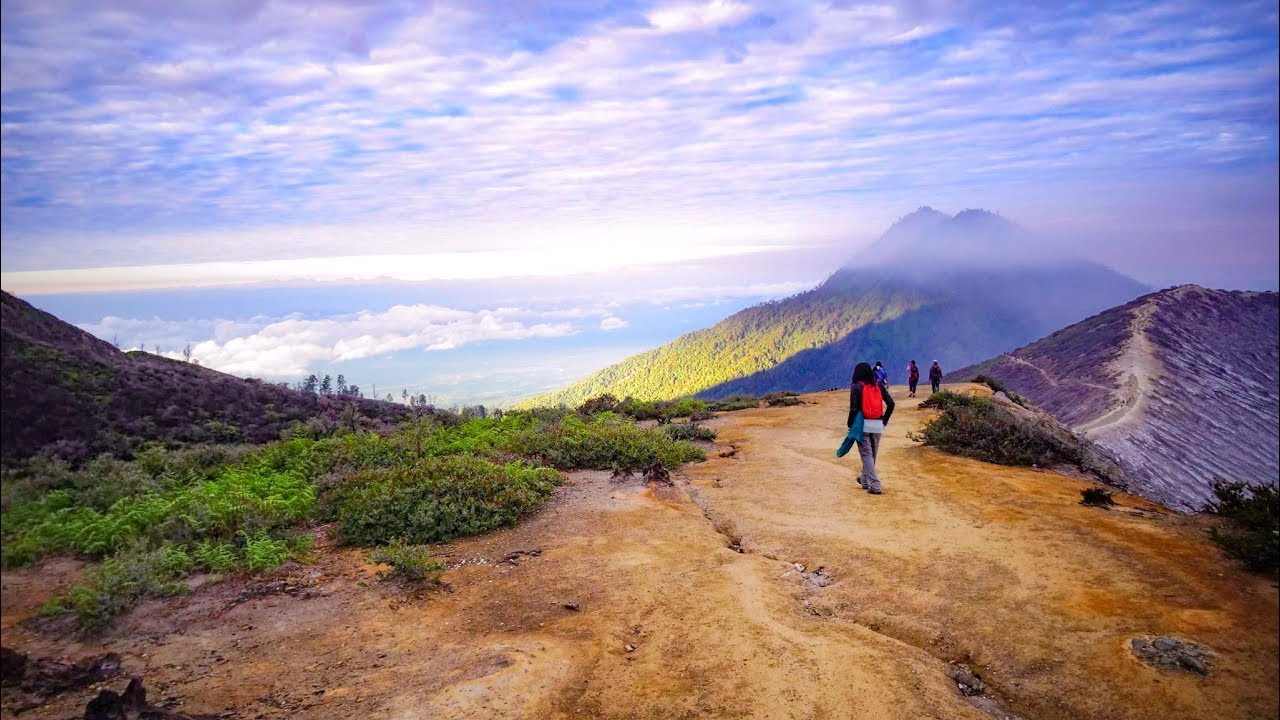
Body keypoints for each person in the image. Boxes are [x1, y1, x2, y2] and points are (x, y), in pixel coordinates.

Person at [847, 362, 894, 495]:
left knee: (866, 454)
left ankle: (875, 485)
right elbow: (891, 404)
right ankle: (865, 480)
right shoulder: (878, 386)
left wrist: (850, 425)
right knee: (872, 454)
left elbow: (854, 409)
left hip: (862, 424)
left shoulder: (856, 387)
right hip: (877, 424)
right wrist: (884, 420)